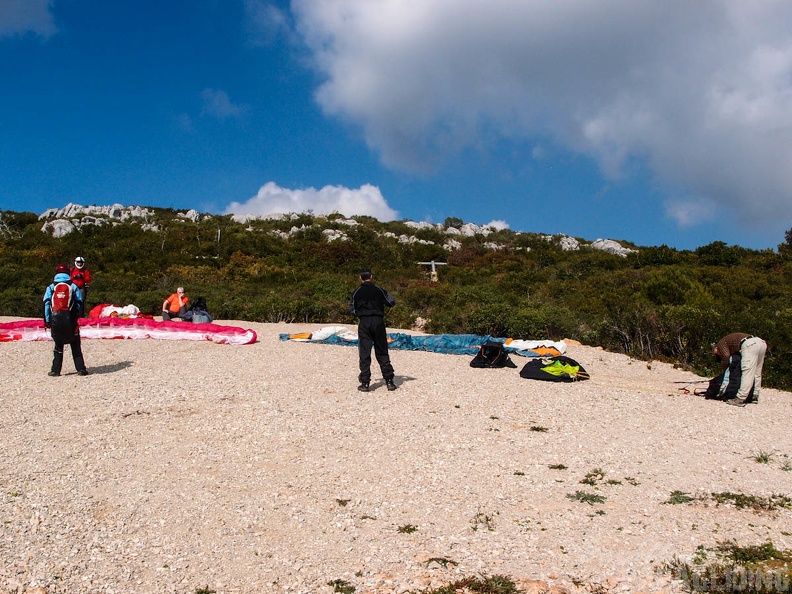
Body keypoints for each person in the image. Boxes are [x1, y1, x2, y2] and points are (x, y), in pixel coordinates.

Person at [349, 268, 397, 392]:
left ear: (360, 278)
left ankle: (365, 382)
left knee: (364, 352)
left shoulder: (356, 292)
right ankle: (389, 381)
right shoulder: (379, 290)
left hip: (364, 322)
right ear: (371, 276)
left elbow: (352, 310)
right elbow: (391, 302)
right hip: (378, 321)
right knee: (382, 350)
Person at [43, 263, 89, 377]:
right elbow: (79, 303)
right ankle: (81, 368)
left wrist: (47, 321)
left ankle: (55, 370)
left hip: (55, 319)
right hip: (71, 319)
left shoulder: (51, 287)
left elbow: (46, 304)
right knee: (75, 344)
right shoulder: (73, 286)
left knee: (58, 345)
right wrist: (76, 316)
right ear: (68, 273)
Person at [713, 333, 767, 407]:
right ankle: (754, 395)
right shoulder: (727, 341)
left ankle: (740, 398)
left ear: (715, 349)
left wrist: (724, 372)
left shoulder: (720, 345)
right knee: (757, 372)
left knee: (747, 372)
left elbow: (726, 357)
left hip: (749, 345)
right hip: (761, 343)